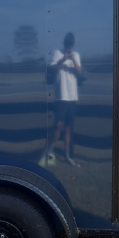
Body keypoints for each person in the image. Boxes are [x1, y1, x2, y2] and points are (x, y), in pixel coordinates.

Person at [42, 32, 83, 166]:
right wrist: (63, 60)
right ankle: (50, 151)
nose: (68, 48)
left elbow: (79, 72)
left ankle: (67, 155)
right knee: (58, 125)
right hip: (61, 96)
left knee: (69, 127)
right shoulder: (57, 53)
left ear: (72, 46)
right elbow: (52, 68)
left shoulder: (76, 55)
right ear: (64, 44)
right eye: (67, 46)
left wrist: (73, 59)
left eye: (70, 46)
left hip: (72, 97)